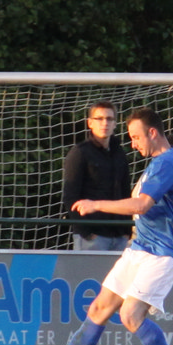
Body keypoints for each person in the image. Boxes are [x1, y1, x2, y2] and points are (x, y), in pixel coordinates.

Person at [35, 108, 173, 345]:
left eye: (136, 137)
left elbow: (141, 205)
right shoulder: (169, 159)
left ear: (153, 133)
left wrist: (95, 204)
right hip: (141, 247)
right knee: (99, 308)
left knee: (130, 315)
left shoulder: (166, 163)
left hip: (163, 252)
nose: (133, 144)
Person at [62, 102, 131, 253]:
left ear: (115, 124)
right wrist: (87, 233)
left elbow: (126, 193)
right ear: (90, 123)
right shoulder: (80, 153)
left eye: (109, 119)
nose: (104, 123)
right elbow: (70, 196)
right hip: (93, 237)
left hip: (119, 235)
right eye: (99, 118)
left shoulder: (120, 153)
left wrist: (127, 230)